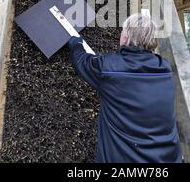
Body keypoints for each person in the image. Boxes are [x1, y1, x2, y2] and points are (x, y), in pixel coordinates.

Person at [68, 13, 182, 163]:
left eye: (122, 31)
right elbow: (124, 71)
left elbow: (82, 61)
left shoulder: (107, 69)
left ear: (126, 36)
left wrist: (76, 43)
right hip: (167, 158)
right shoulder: (164, 68)